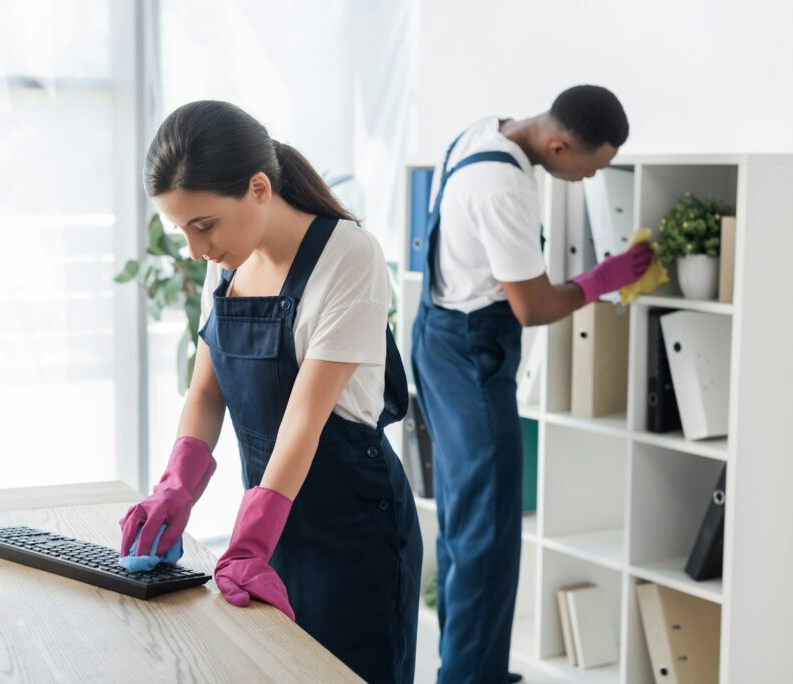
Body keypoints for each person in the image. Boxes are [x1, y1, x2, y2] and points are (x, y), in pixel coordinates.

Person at [120, 100, 423, 683]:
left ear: (258, 187)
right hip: (270, 521)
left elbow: (303, 420)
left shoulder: (350, 257)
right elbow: (207, 392)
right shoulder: (226, 262)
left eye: (202, 226)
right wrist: (175, 488)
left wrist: (251, 540)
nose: (194, 249)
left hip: (352, 529)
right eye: (181, 230)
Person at [411, 85, 652, 684]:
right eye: (589, 168)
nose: (586, 181)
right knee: (488, 536)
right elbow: (533, 306)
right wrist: (601, 280)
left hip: (438, 339)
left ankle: (472, 668)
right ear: (557, 144)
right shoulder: (506, 187)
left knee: (468, 527)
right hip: (472, 356)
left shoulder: (482, 129)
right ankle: (470, 678)